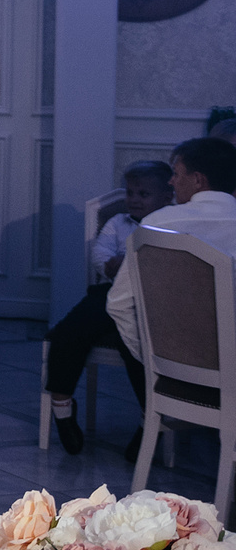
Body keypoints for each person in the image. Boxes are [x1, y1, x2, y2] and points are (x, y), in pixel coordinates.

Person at [45, 160, 173, 455]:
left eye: (143, 194)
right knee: (69, 333)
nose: (134, 200)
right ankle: (62, 409)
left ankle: (150, 420)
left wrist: (124, 262)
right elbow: (100, 257)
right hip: (109, 292)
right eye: (130, 193)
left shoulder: (172, 225)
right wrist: (121, 264)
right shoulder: (117, 223)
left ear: (167, 198)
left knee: (137, 344)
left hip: (151, 300)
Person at [106, 136, 236, 379]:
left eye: (176, 174)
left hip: (175, 369)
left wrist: (152, 360)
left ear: (197, 180)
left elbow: (119, 303)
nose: (171, 181)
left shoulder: (158, 224)